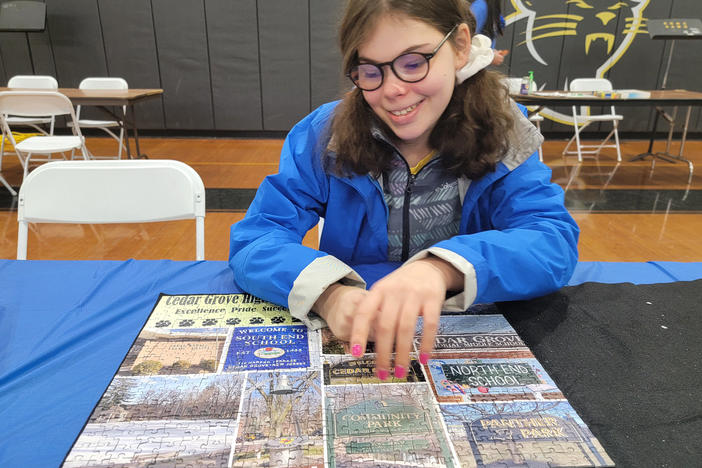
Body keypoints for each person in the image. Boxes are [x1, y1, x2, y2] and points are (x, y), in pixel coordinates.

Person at [230, 0, 578, 381]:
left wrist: (443, 268)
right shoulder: (323, 135)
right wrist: (329, 295)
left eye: (414, 63)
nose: (393, 90)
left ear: (460, 46)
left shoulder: (504, 133)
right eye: (369, 71)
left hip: (459, 336)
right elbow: (257, 239)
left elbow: (551, 242)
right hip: (357, 341)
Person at [470, 0, 509, 65]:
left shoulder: (489, 8)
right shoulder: (480, 7)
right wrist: (490, 57)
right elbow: (463, 45)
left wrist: (491, 53)